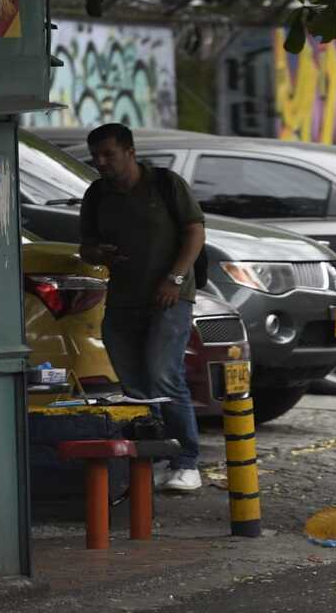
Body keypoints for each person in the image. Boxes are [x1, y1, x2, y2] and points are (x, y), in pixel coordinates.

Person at [79, 123, 207, 492]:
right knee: (135, 387)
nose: (101, 163)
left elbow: (195, 230)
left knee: (162, 376)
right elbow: (86, 245)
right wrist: (97, 253)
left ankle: (187, 461)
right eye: (96, 157)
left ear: (130, 152)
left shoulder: (165, 184)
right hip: (122, 299)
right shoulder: (98, 194)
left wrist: (176, 278)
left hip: (170, 297)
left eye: (109, 155)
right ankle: (152, 458)